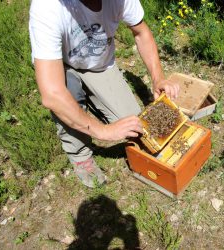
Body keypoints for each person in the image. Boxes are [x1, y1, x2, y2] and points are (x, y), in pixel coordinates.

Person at [29, 0, 179, 188]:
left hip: (99, 66)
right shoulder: (47, 6)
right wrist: (104, 131)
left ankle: (94, 103)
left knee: (134, 125)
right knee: (66, 94)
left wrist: (158, 78)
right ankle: (80, 154)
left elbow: (142, 33)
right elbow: (52, 94)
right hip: (61, 66)